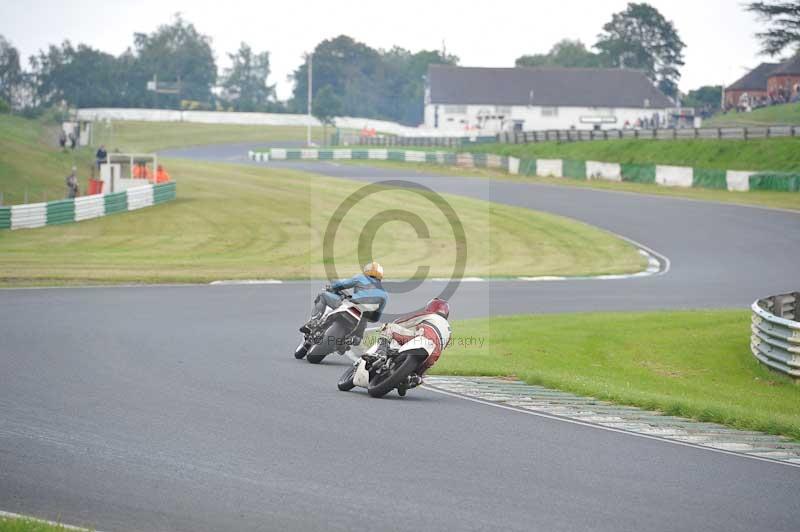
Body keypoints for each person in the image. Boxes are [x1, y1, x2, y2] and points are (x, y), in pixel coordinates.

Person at [374, 298, 451, 393]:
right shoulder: (449, 330)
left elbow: (405, 321)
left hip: (422, 339)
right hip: (433, 355)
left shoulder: (430, 315)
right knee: (420, 375)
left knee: (389, 327)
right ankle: (412, 380)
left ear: (431, 307)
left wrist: (395, 323)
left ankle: (380, 352)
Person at [301, 261, 388, 345]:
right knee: (358, 337)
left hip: (351, 305)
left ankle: (314, 321)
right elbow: (376, 317)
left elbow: (341, 285)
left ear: (366, 271)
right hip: (362, 317)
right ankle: (350, 340)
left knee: (323, 295)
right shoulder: (384, 294)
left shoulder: (361, 278)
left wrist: (332, 287)